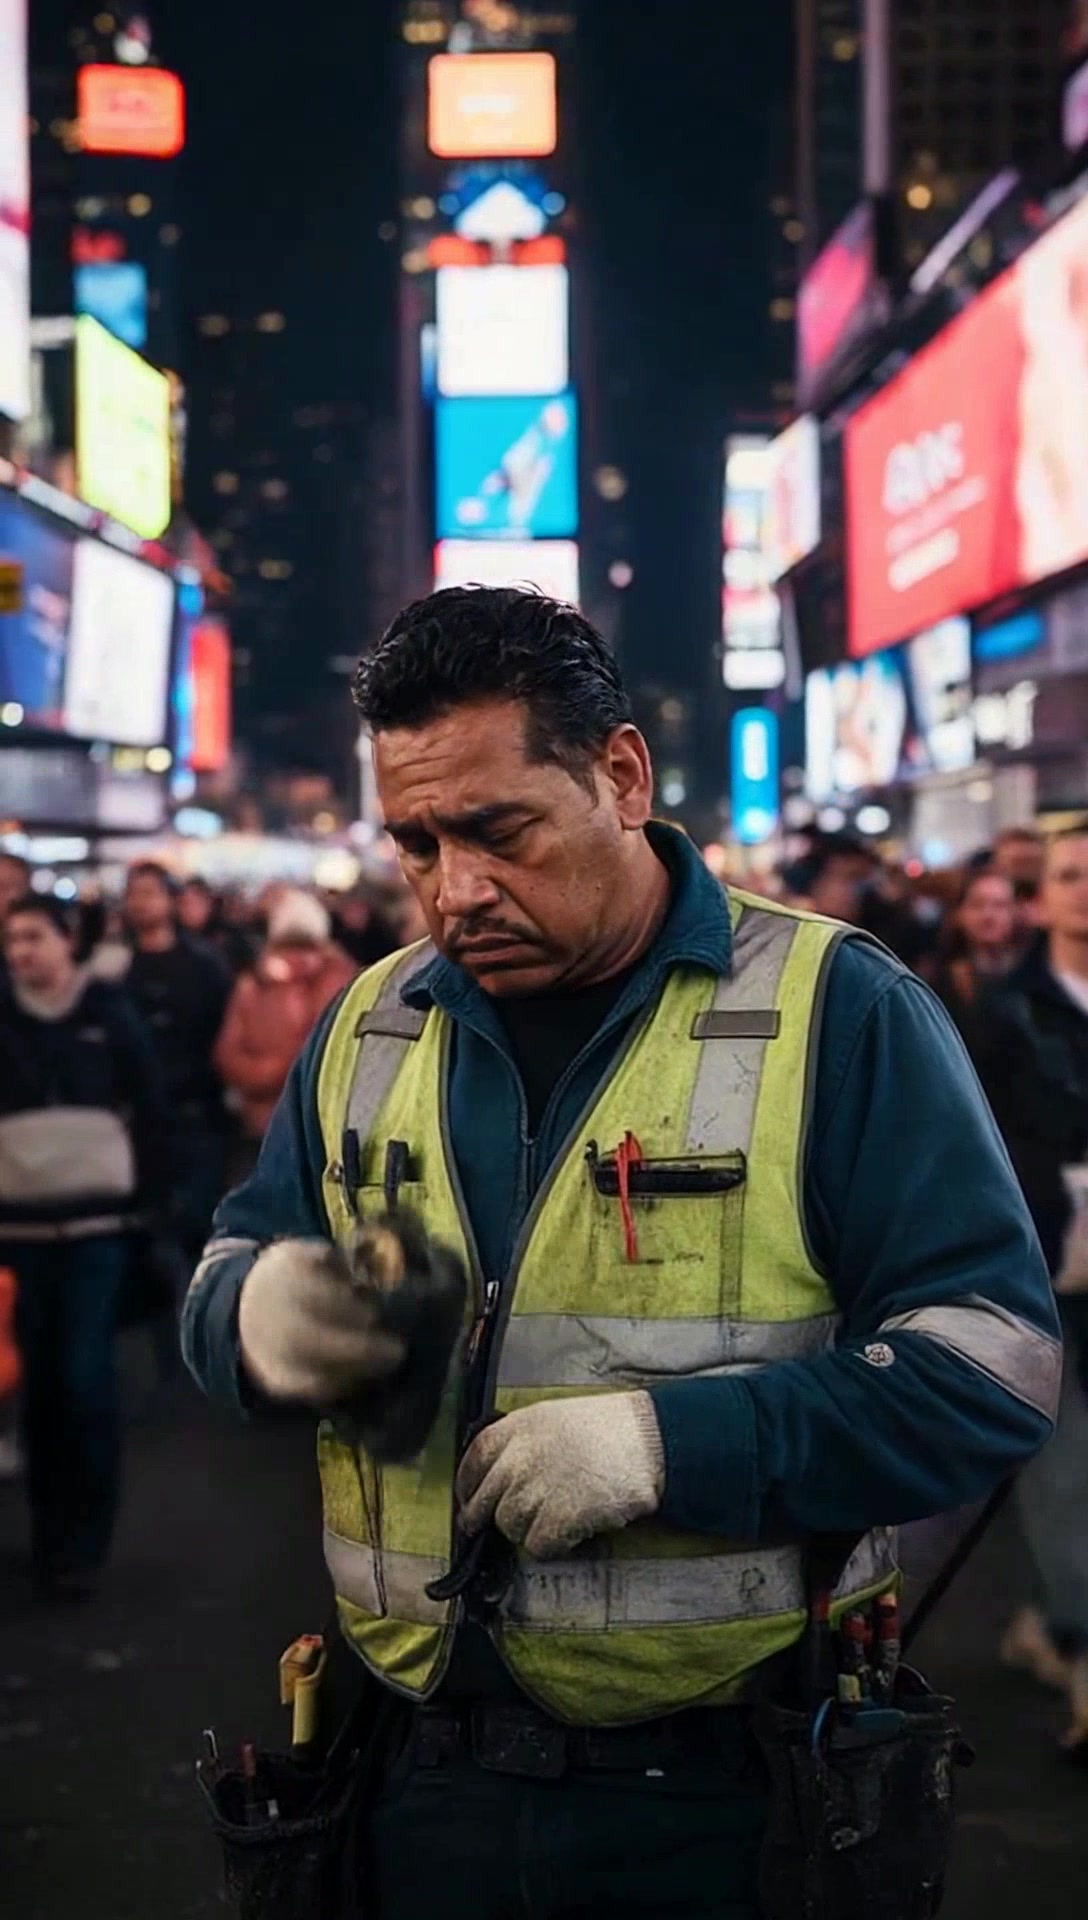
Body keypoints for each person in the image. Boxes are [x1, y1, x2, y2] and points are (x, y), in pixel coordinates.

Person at [183, 587, 1060, 1920]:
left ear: (623, 775)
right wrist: (257, 1316)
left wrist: (666, 1450)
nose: (453, 890)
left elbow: (993, 1370)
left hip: (732, 1798)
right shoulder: (367, 1020)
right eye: (415, 841)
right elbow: (230, 1257)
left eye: (496, 831)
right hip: (409, 1775)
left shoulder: (843, 1012)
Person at [0, 896, 167, 1598]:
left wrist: (152, 1205)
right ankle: (48, 1541)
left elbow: (151, 1104)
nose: (22, 951)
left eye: (34, 936)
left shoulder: (107, 1012)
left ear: (67, 939)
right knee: (38, 1395)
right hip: (19, 1239)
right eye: (11, 939)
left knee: (85, 1380)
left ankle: (85, 1545)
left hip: (98, 1235)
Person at [973, 829, 1088, 1756]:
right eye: (1069, 877)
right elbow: (986, 1148)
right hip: (1050, 1272)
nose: (1085, 894)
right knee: (1061, 1466)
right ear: (1040, 898)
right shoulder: (1005, 1014)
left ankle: (1053, 1625)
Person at [213, 888, 355, 1147]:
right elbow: (229, 1055)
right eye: (290, 946)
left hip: (324, 1124)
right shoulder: (253, 987)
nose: (297, 957)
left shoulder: (341, 985)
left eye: (306, 947)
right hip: (265, 1123)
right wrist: (273, 1072)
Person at [932, 866, 1018, 1043]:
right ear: (959, 914)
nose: (988, 915)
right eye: (977, 905)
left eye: (1000, 905)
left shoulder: (1036, 976)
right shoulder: (938, 980)